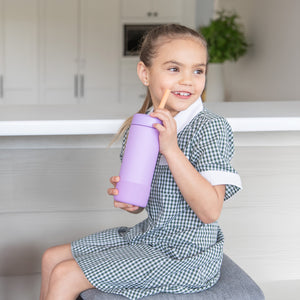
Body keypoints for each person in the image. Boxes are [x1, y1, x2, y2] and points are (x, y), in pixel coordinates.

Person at [39, 24, 242, 300]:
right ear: (145, 73)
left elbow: (210, 211)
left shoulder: (210, 128)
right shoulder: (142, 126)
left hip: (187, 253)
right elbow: (142, 205)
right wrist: (132, 204)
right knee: (51, 259)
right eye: (174, 69)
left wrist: (171, 149)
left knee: (66, 274)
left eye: (198, 70)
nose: (187, 80)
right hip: (150, 235)